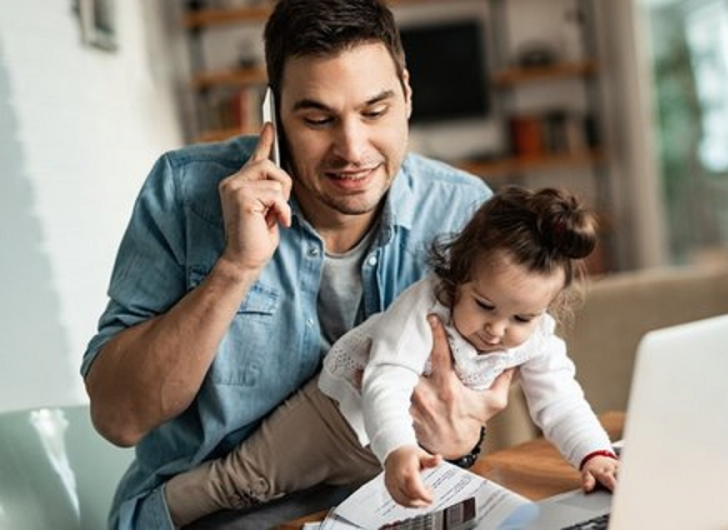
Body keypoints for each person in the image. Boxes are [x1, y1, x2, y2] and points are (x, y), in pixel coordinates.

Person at [81, 0, 512, 527]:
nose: (352, 149)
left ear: (406, 92)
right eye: (317, 119)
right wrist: (236, 267)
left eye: (375, 111)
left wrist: (464, 442)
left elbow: (467, 411)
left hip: (392, 512)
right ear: (273, 114)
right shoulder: (183, 193)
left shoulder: (462, 209)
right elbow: (119, 418)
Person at [164, 187, 620, 525]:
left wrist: (593, 455)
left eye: (522, 318)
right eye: (484, 306)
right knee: (244, 483)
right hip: (335, 418)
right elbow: (386, 380)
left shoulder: (537, 337)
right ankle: (152, 514)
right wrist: (399, 450)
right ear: (458, 277)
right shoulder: (425, 306)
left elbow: (560, 399)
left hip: (394, 452)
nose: (497, 331)